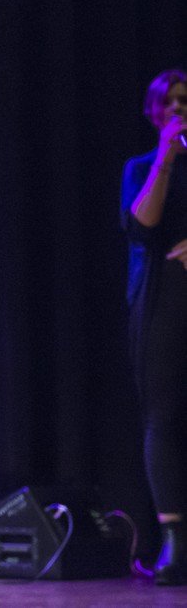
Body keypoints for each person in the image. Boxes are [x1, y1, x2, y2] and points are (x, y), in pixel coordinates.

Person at [121, 69, 187, 584]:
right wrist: (166, 157)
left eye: (186, 101)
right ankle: (175, 544)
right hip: (163, 302)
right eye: (171, 102)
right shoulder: (142, 166)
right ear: (154, 112)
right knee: (164, 417)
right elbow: (143, 225)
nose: (179, 109)